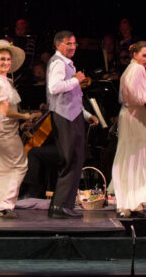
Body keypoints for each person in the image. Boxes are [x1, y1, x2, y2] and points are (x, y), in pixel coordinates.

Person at [0, 39, 38, 218]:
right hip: (2, 130)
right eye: (2, 59)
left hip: (4, 128)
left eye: (7, 59)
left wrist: (21, 120)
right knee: (19, 165)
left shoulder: (3, 81)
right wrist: (25, 116)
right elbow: (5, 111)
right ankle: (4, 204)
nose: (6, 62)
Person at [46, 30, 99, 219]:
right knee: (70, 161)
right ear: (58, 45)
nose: (73, 47)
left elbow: (73, 97)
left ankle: (62, 205)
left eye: (74, 44)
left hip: (73, 116)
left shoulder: (67, 63)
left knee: (76, 160)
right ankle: (61, 207)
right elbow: (55, 87)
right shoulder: (58, 63)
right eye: (69, 44)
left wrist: (85, 115)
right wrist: (76, 79)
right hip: (64, 117)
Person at [111, 41, 146, 218]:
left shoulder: (129, 70)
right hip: (134, 116)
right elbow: (139, 98)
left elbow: (122, 98)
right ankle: (132, 201)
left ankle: (128, 202)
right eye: (144, 55)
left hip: (128, 114)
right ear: (135, 54)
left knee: (128, 156)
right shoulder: (138, 70)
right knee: (137, 156)